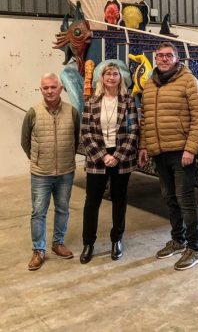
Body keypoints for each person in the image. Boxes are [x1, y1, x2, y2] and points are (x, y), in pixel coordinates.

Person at [138, 42, 198, 270]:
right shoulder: (149, 85)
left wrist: (190, 149)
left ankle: (195, 248)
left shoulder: (189, 81)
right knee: (169, 198)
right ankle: (178, 240)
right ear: (155, 58)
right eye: (160, 55)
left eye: (169, 55)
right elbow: (145, 120)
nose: (164, 59)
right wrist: (143, 146)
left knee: (185, 200)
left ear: (177, 58)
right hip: (159, 152)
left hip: (181, 152)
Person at [80, 62, 139, 264]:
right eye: (108, 74)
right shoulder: (92, 101)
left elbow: (133, 131)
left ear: (120, 78)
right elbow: (85, 132)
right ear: (101, 78)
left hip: (122, 158)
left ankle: (117, 240)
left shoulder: (128, 101)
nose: (112, 77)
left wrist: (117, 156)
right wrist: (104, 156)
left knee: (119, 199)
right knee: (92, 201)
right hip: (98, 156)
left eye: (115, 74)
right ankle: (88, 243)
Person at [21, 73, 80, 271]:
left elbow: (76, 139)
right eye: (45, 87)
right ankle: (38, 250)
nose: (49, 91)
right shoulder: (33, 113)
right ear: (41, 89)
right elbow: (25, 141)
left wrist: (66, 158)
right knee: (38, 212)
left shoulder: (72, 112)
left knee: (62, 209)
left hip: (65, 171)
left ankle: (57, 243)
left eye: (53, 87)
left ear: (61, 88)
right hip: (41, 174)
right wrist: (38, 159)